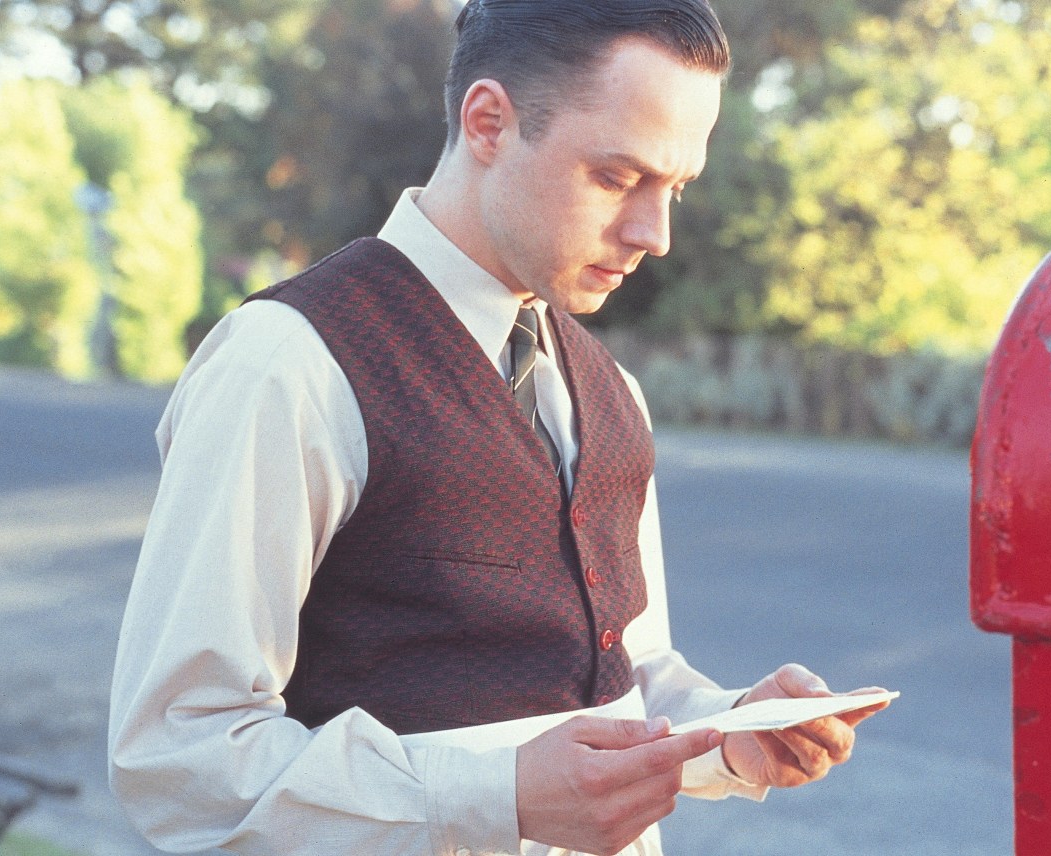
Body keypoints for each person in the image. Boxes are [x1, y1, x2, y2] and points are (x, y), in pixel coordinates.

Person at [108, 1, 889, 854]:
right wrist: (492, 797)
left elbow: (622, 677)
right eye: (618, 176)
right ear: (488, 122)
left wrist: (729, 731)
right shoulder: (286, 364)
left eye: (676, 187)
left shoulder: (611, 387)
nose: (653, 234)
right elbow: (180, 756)